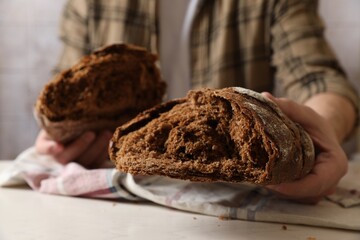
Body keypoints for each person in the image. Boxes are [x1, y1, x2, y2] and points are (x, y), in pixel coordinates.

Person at [35, 0, 358, 203]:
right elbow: (60, 96)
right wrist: (59, 139)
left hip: (241, 196)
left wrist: (322, 127)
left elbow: (320, 80)